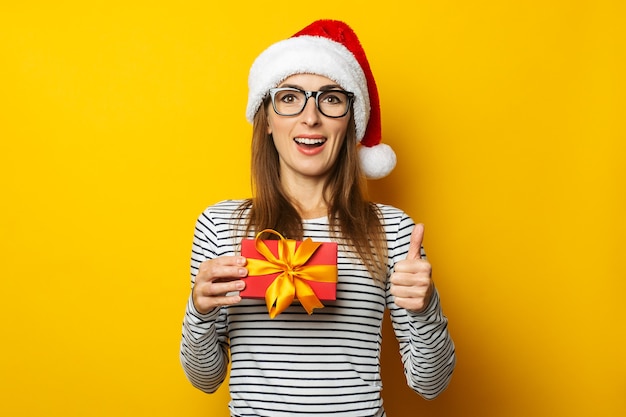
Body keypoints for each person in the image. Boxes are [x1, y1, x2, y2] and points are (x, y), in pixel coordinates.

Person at [180, 19, 455, 417]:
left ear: (350, 122)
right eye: (290, 98)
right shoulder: (220, 225)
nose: (311, 117)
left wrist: (424, 306)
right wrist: (199, 309)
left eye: (330, 99)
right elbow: (204, 379)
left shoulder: (393, 230)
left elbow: (431, 383)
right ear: (267, 120)